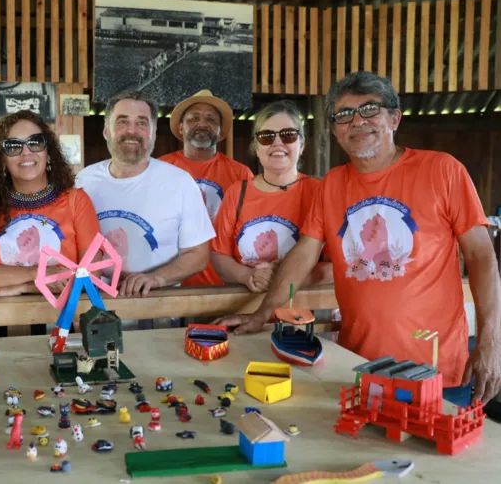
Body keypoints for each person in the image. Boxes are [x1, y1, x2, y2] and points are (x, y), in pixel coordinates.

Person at [216, 72, 501, 405]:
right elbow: (303, 255)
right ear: (335, 131)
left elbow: (482, 257)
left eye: (369, 110)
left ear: (394, 118)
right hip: (357, 365)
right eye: (344, 115)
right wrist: (263, 313)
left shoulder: (442, 170)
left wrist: (490, 342)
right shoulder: (333, 185)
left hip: (436, 368)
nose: (357, 121)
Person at [0, 110, 100, 320]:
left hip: (65, 323)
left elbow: (91, 275)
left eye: (35, 142)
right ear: (2, 160)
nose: (26, 152)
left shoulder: (76, 201)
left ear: (48, 152)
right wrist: (35, 275)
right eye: (13, 146)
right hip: (1, 326)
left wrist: (23, 287)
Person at [76, 90, 215, 298]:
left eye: (142, 123)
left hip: (157, 309)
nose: (132, 131)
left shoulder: (179, 182)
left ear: (153, 132)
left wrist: (156, 278)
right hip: (93, 302)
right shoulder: (83, 180)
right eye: (122, 122)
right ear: (106, 131)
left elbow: (198, 254)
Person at [211, 100, 331, 295]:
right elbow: (218, 255)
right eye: (267, 137)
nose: (278, 143)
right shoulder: (237, 192)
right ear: (256, 148)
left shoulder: (319, 192)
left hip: (301, 313)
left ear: (301, 145)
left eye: (288, 135)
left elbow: (337, 265)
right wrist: (247, 276)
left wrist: (285, 276)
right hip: (243, 309)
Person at [159, 89, 254, 286]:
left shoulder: (241, 174)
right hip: (169, 281)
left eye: (211, 119)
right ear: (181, 127)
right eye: (194, 118)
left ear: (220, 130)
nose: (202, 124)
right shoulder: (160, 169)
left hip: (225, 282)